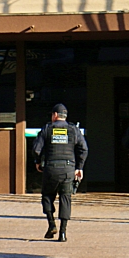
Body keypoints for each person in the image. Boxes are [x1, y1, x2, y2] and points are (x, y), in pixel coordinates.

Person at [32, 103, 88, 242]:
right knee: (65, 198)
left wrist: (38, 162)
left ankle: (51, 224)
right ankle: (63, 233)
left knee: (47, 196)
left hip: (50, 169)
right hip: (68, 170)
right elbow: (84, 149)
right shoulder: (73, 130)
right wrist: (79, 167)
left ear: (55, 115)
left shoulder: (47, 129)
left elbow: (35, 149)